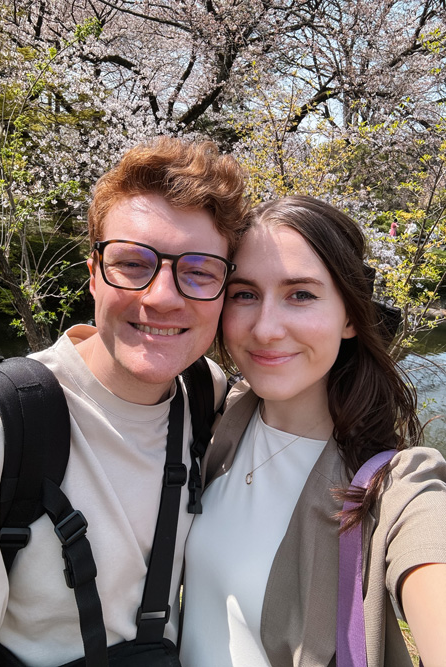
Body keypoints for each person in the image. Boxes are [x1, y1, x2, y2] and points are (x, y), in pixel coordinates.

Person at [0, 137, 249, 666]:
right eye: (133, 264)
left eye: (199, 271)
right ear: (93, 275)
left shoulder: (207, 393)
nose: (162, 296)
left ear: (223, 292)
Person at [180, 196, 446, 667]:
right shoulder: (219, 411)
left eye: (300, 294)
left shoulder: (394, 490)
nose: (265, 329)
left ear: (349, 316)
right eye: (244, 294)